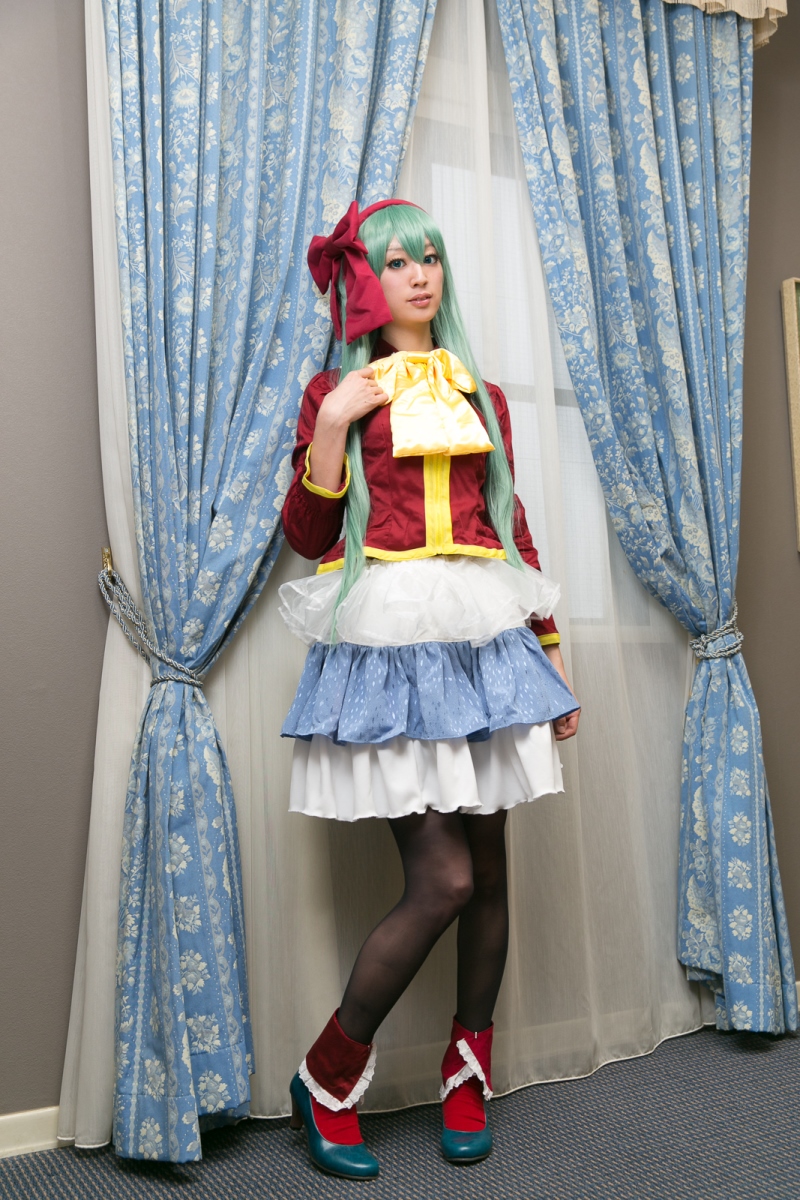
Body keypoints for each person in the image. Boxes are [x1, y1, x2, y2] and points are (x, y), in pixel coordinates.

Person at [278, 198, 580, 1179]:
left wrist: (549, 648)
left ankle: (466, 1074)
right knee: (442, 879)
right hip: (393, 646)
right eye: (397, 261)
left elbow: (508, 524)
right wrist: (333, 421)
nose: (418, 275)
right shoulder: (336, 391)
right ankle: (327, 1074)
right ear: (364, 282)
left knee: (488, 872)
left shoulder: (477, 392)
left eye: (429, 258)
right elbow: (309, 538)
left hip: (486, 642)